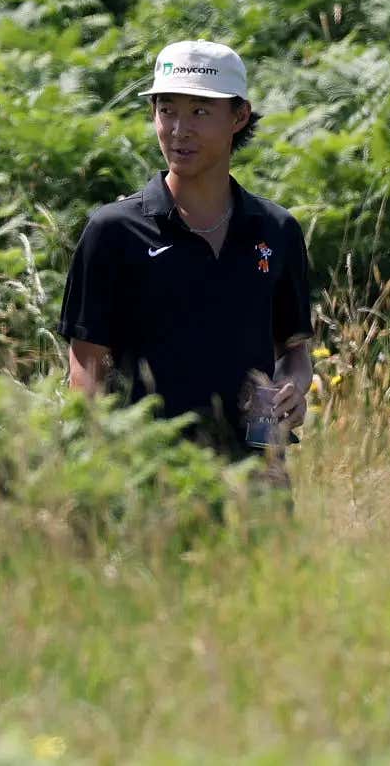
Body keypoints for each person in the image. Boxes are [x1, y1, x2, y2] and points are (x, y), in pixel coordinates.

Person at [60, 40, 313, 464]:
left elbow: (294, 352)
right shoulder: (114, 231)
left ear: (239, 116)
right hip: (147, 474)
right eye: (167, 110)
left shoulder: (277, 229)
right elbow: (85, 371)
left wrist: (291, 392)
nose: (180, 130)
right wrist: (94, 473)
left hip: (256, 475)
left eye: (199, 112)